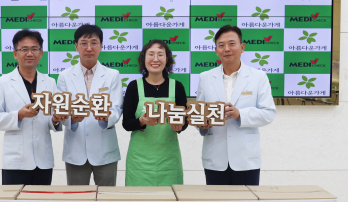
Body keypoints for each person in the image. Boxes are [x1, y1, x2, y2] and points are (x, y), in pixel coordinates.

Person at [196, 25, 276, 185]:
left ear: (242, 47)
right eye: (221, 45)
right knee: (216, 201)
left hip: (246, 159)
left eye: (232, 44)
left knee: (247, 201)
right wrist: (202, 125)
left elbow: (268, 113)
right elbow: (199, 113)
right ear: (216, 50)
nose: (226, 49)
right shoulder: (205, 77)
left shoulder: (258, 77)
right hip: (214, 159)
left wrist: (240, 114)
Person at [0, 29, 66, 185]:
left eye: (34, 49)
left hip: (43, 160)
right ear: (15, 54)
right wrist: (19, 115)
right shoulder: (2, 82)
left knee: (41, 199)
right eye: (24, 49)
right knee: (14, 201)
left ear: (41, 53)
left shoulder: (50, 82)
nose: (30, 53)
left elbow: (51, 119)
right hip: (16, 161)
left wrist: (56, 120)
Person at [56, 24, 123, 186]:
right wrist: (71, 119)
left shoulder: (112, 75)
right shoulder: (64, 76)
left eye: (94, 43)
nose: (89, 48)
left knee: (107, 197)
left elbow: (116, 108)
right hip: (75, 149)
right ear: (76, 46)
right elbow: (60, 110)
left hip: (105, 150)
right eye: (84, 43)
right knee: (77, 198)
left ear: (101, 46)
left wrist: (107, 117)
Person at [122, 40, 187, 186]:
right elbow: (126, 123)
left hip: (168, 159)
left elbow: (185, 121)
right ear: (143, 59)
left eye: (160, 55)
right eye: (151, 54)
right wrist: (141, 121)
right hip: (139, 161)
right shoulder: (134, 87)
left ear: (167, 59)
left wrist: (179, 127)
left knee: (168, 198)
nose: (155, 59)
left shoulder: (177, 87)